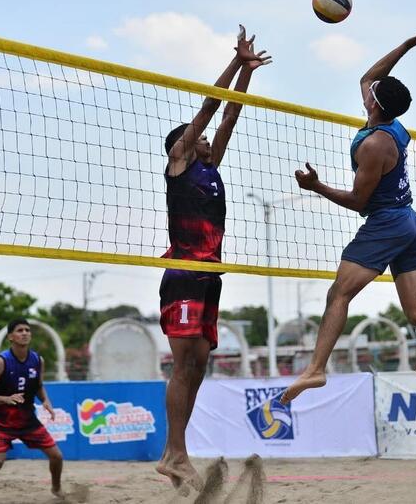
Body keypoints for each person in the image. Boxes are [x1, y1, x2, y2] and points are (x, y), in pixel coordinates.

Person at [282, 29, 416, 405]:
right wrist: (405, 47)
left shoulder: (374, 145)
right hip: (410, 221)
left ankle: (316, 369)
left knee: (339, 294)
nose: (366, 89)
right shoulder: (394, 125)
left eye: (371, 92)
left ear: (373, 103)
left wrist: (316, 186)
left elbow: (358, 200)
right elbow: (368, 77)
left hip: (387, 221)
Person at [155, 25, 271, 492]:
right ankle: (175, 453)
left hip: (209, 275)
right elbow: (210, 107)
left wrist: (247, 73)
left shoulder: (211, 166)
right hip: (184, 272)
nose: (204, 139)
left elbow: (230, 116)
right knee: (183, 363)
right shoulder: (180, 164)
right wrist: (233, 61)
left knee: (199, 363)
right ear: (180, 146)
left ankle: (174, 453)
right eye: (195, 137)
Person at [0, 319, 63, 504]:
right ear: (10, 337)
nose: (25, 333)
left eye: (27, 330)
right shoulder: (0, 362)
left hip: (27, 420)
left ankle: (56, 487)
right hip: (2, 421)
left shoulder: (38, 360)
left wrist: (45, 400)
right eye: (20, 330)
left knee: (57, 457)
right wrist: (6, 399)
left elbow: (38, 386)